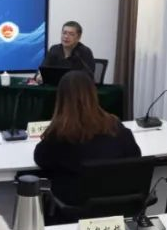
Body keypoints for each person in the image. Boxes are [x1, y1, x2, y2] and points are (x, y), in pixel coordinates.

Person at [33, 70, 141, 205]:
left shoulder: (59, 135)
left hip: (73, 209)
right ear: (93, 94)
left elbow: (40, 158)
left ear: (61, 99)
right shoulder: (115, 126)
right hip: (118, 206)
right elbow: (135, 157)